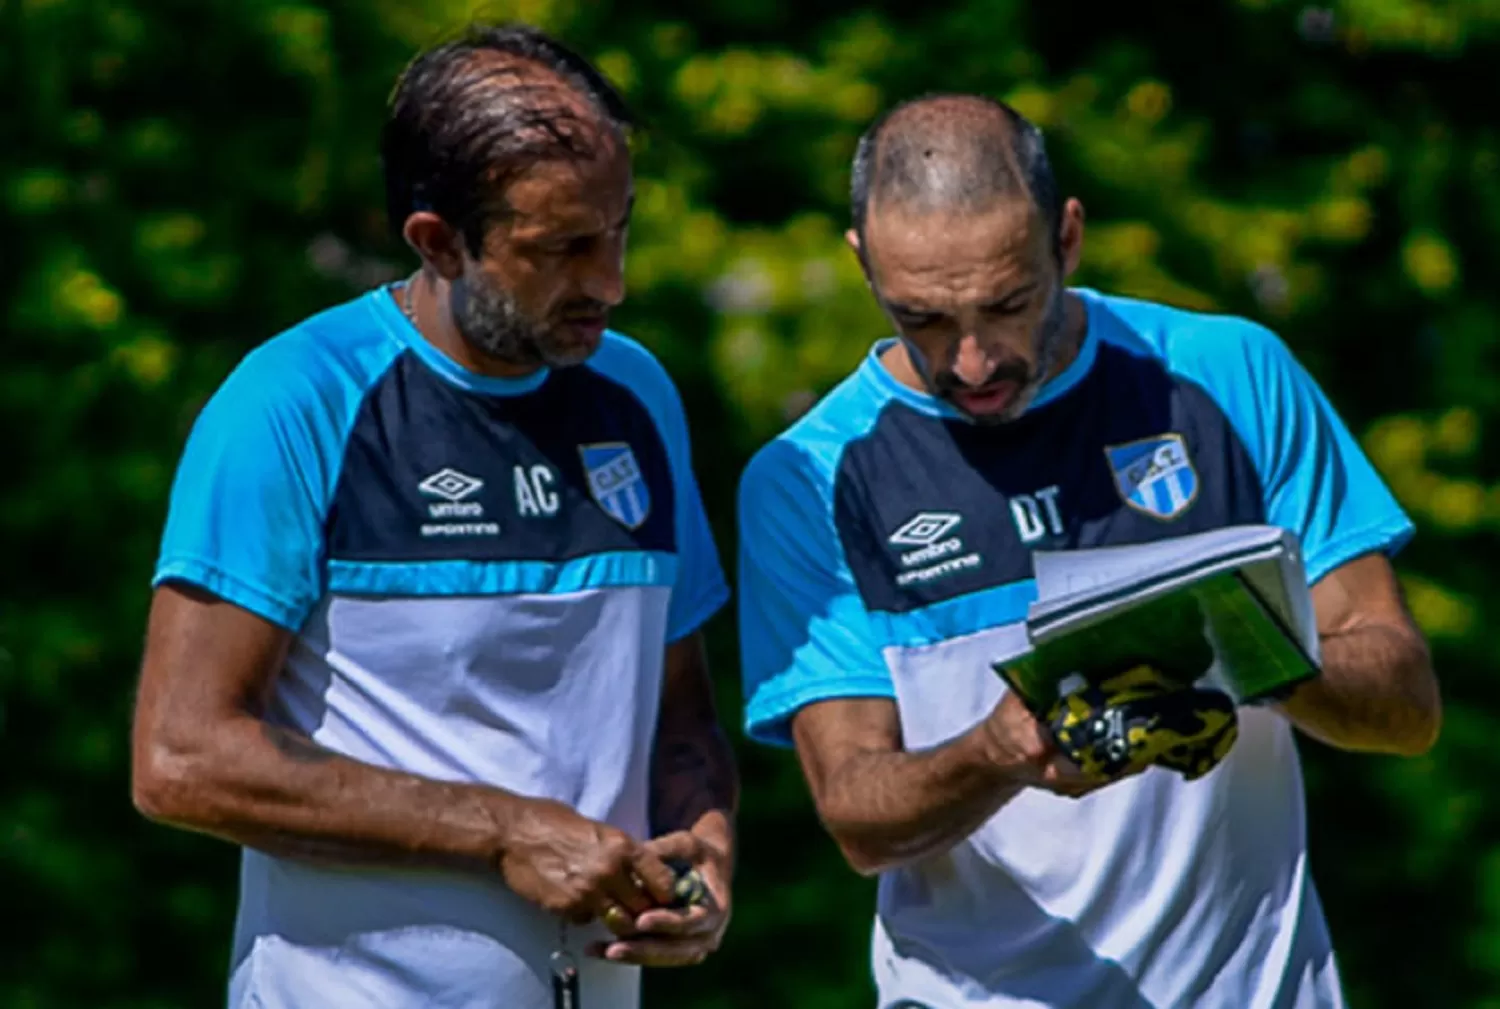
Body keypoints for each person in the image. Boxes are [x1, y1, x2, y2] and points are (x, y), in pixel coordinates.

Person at [736, 92, 1441, 1009]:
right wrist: (999, 749)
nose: (974, 362)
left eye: (1008, 304)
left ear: (1067, 238)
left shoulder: (1227, 371)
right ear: (862, 263)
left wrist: (1241, 648)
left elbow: (1406, 701)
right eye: (923, 320)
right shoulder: (808, 474)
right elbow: (859, 815)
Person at [131, 23, 737, 1009]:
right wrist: (504, 830)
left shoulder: (638, 395)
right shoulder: (294, 400)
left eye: (619, 229)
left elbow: (680, 720)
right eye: (564, 248)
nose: (612, 283)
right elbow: (181, 758)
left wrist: (705, 856)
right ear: (439, 242)